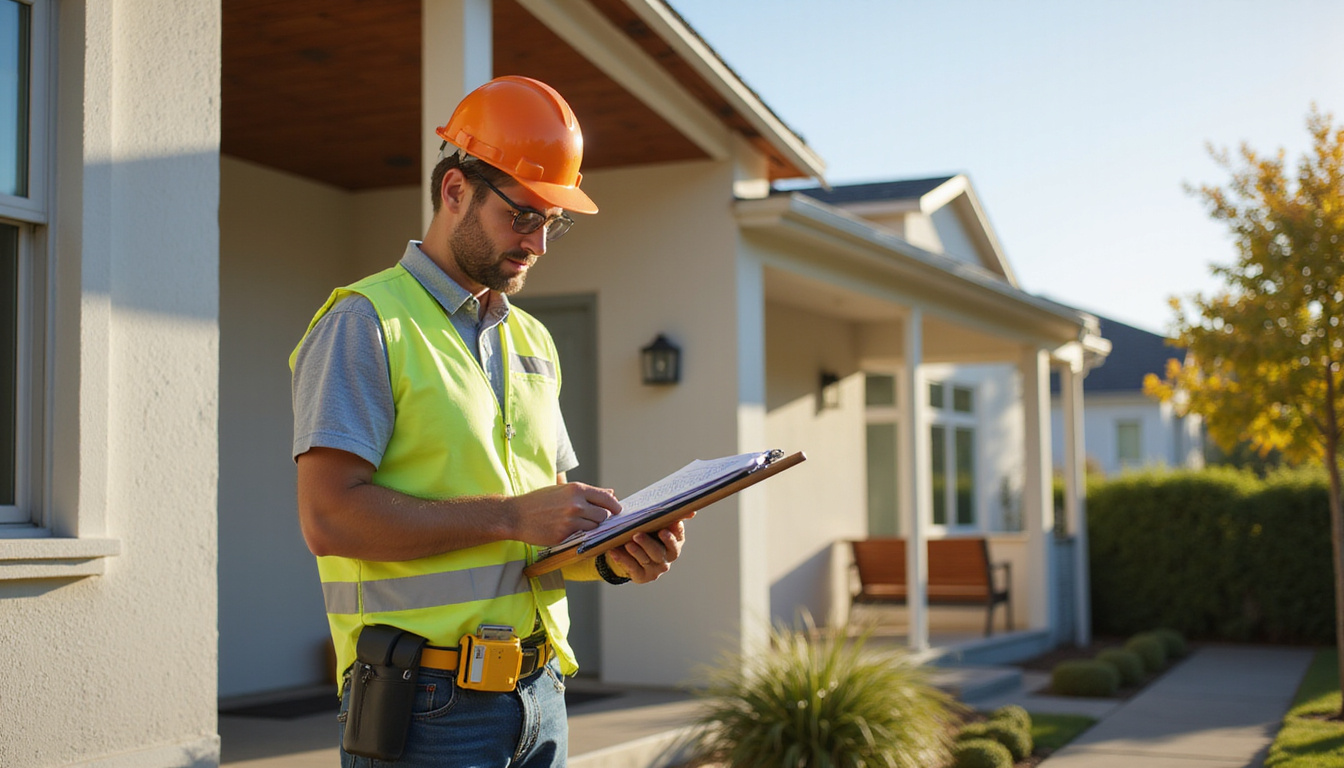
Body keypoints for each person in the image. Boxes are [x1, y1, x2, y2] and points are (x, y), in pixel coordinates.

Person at [289, 75, 689, 767]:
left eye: (552, 222)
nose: (538, 242)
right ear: (454, 192)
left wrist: (618, 555)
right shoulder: (364, 323)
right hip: (424, 707)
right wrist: (509, 516)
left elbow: (544, 537)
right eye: (524, 215)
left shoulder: (532, 340)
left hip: (542, 697)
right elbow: (328, 520)